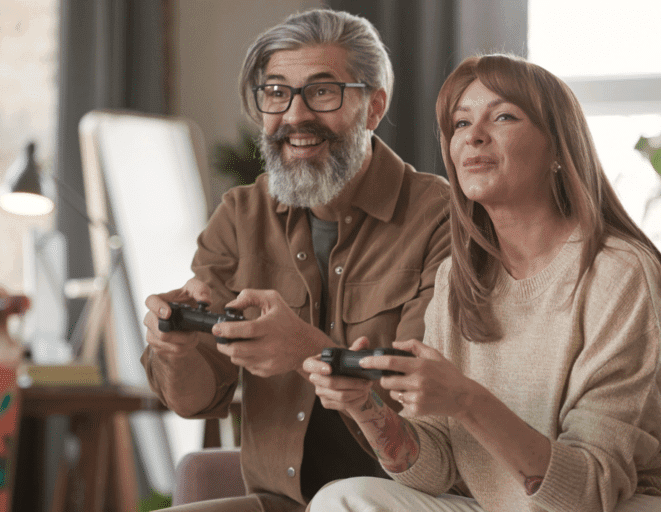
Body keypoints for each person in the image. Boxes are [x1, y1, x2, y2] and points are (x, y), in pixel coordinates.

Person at [304, 54, 661, 512]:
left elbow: (590, 488)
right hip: (521, 505)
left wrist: (465, 399)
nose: (474, 135)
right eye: (461, 123)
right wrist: (364, 406)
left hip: (649, 501)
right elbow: (437, 468)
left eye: (503, 117)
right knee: (342, 500)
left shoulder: (619, 273)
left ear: (558, 148)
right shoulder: (457, 279)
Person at [140, 9, 451, 512]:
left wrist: (306, 350)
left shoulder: (439, 218)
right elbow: (196, 399)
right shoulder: (240, 216)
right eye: (276, 92)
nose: (294, 115)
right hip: (279, 501)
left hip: (395, 501)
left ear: (373, 107)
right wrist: (174, 349)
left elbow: (428, 411)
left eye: (322, 92)